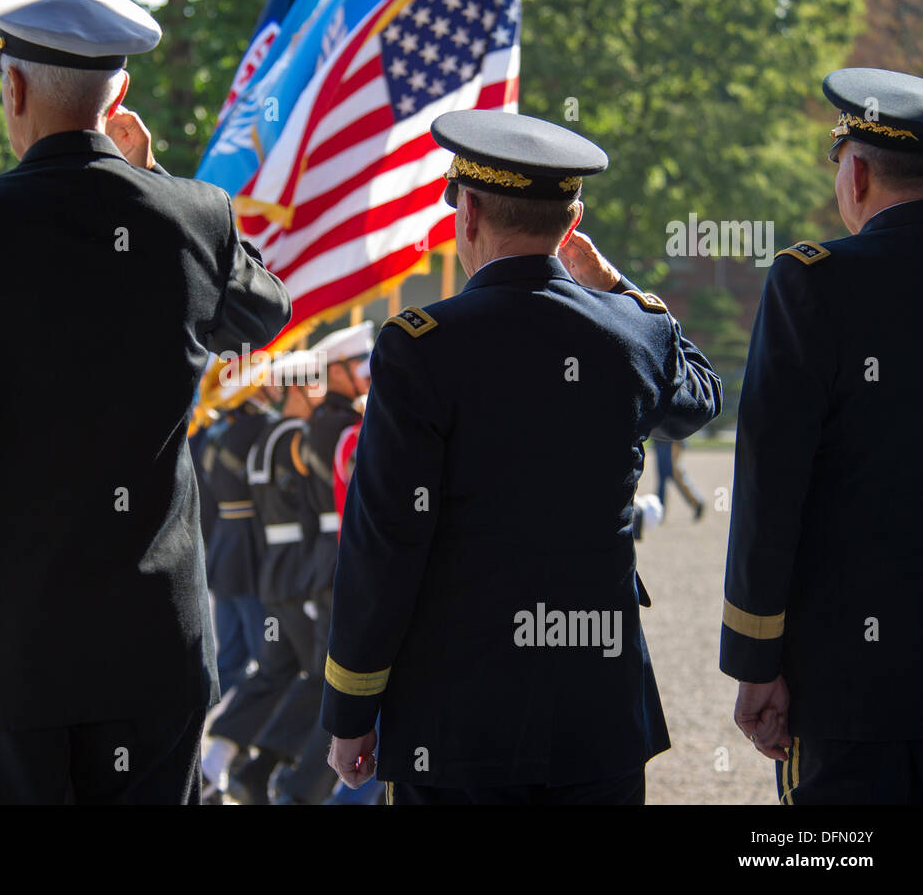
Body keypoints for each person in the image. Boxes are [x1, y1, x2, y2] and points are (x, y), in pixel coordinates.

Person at [0, 0, 290, 805]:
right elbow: (264, 309)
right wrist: (160, 180)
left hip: (5, 651)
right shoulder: (195, 216)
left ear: (16, 87)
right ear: (120, 92)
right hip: (154, 648)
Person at [320, 109, 722, 804]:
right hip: (598, 714)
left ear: (468, 211)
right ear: (573, 224)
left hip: (457, 722)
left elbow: (384, 543)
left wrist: (351, 709)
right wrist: (619, 288)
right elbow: (701, 395)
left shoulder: (421, 345)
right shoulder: (634, 336)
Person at [721, 67, 923, 804]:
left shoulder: (815, 281)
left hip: (849, 683)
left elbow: (770, 488)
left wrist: (754, 659)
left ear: (859, 173)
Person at [203, 350, 321, 803]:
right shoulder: (280, 433)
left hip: (249, 558)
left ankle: (228, 761)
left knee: (261, 665)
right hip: (278, 563)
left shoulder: (243, 433)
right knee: (301, 669)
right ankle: (271, 770)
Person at [268, 321, 373, 804]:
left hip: (319, 564)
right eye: (359, 368)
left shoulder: (313, 426)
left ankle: (282, 781)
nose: (368, 378)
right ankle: (296, 787)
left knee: (329, 689)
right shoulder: (351, 428)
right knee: (352, 697)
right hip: (347, 564)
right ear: (337, 373)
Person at [200, 382, 277, 696]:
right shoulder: (263, 427)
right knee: (267, 655)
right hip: (250, 547)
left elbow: (205, 503)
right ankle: (240, 736)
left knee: (229, 656)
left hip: (222, 544)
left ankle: (212, 730)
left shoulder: (214, 433)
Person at [653, 439, 704, 520]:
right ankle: (659, 511)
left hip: (671, 440)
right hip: (662, 439)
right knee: (665, 478)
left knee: (674, 477)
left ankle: (697, 502)